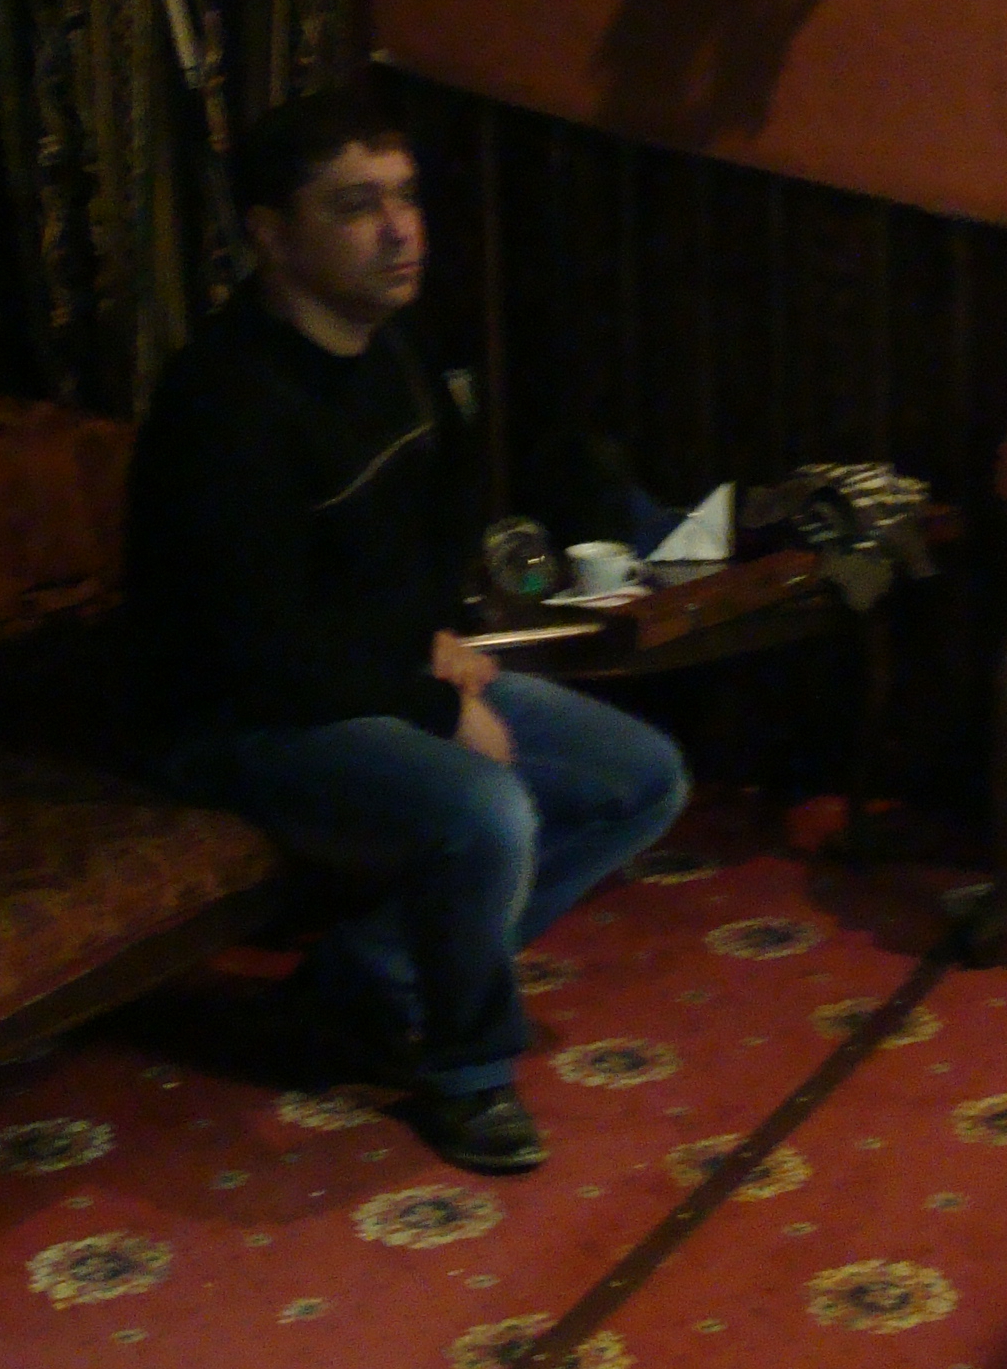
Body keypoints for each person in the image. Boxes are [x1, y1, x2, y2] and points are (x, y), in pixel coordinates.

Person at [123, 84, 690, 1175]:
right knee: (485, 811)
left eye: (405, 197)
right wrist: (430, 703)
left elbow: (436, 533)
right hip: (236, 720)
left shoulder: (399, 353)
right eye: (356, 206)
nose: (399, 230)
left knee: (641, 777)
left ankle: (362, 984)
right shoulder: (224, 402)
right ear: (271, 234)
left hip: (369, 676)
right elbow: (254, 647)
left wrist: (437, 641)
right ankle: (469, 1071)